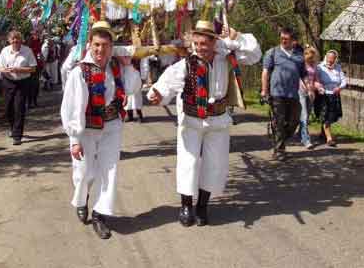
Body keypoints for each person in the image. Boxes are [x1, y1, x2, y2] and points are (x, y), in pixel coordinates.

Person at [148, 20, 261, 227]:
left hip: (218, 119)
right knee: (188, 162)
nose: (200, 48)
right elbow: (167, 83)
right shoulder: (186, 64)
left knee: (214, 163)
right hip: (191, 120)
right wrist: (158, 93)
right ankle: (186, 206)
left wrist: (239, 36)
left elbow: (254, 54)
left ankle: (202, 206)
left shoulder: (227, 57)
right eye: (196, 43)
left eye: (204, 43)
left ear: (214, 42)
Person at [61, 21, 141, 239]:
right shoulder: (80, 72)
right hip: (85, 128)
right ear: (90, 45)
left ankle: (100, 214)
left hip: (112, 125)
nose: (100, 50)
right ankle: (82, 198)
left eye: (105, 45)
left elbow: (133, 88)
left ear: (111, 46)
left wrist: (128, 65)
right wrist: (74, 139)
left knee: (109, 171)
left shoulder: (116, 67)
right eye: (96, 45)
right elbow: (70, 108)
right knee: (85, 171)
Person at [261, 27, 308, 161]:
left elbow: (303, 74)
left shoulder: (299, 56)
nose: (283, 40)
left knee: (295, 120)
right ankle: (279, 150)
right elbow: (265, 72)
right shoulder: (273, 52)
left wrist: (309, 88)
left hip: (293, 94)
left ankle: (279, 138)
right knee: (279, 121)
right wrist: (264, 90)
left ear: (293, 40)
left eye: (286, 39)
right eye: (282, 38)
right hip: (276, 93)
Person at [0, 30, 37, 145]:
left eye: (17, 38)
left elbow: (33, 68)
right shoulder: (5, 51)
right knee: (8, 107)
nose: (15, 41)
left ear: (21, 40)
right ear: (9, 40)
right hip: (8, 81)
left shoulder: (27, 51)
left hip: (22, 82)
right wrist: (3, 70)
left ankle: (17, 135)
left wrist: (19, 70)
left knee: (19, 107)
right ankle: (12, 127)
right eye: (13, 39)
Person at [315, 50, 347, 147]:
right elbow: (316, 79)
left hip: (334, 94)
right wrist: (319, 87)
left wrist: (340, 87)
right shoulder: (320, 67)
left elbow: (344, 81)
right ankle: (329, 138)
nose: (330, 60)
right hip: (323, 94)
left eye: (332, 59)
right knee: (326, 116)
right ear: (326, 57)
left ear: (335, 59)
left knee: (332, 116)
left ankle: (323, 133)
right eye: (329, 58)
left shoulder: (338, 67)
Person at [299, 46, 320, 150]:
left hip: (311, 93)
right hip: (301, 92)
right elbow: (298, 78)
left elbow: (316, 79)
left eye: (312, 57)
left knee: (306, 116)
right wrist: (305, 87)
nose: (310, 59)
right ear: (305, 55)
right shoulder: (301, 65)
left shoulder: (315, 66)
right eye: (308, 56)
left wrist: (319, 87)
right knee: (304, 115)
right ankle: (306, 140)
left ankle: (300, 134)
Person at [27, 30, 43, 108]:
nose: (37, 35)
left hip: (37, 66)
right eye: (35, 34)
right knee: (30, 85)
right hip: (30, 66)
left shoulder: (39, 42)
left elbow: (39, 53)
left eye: (37, 34)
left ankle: (34, 101)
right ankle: (30, 102)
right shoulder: (29, 43)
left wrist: (41, 62)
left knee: (36, 85)